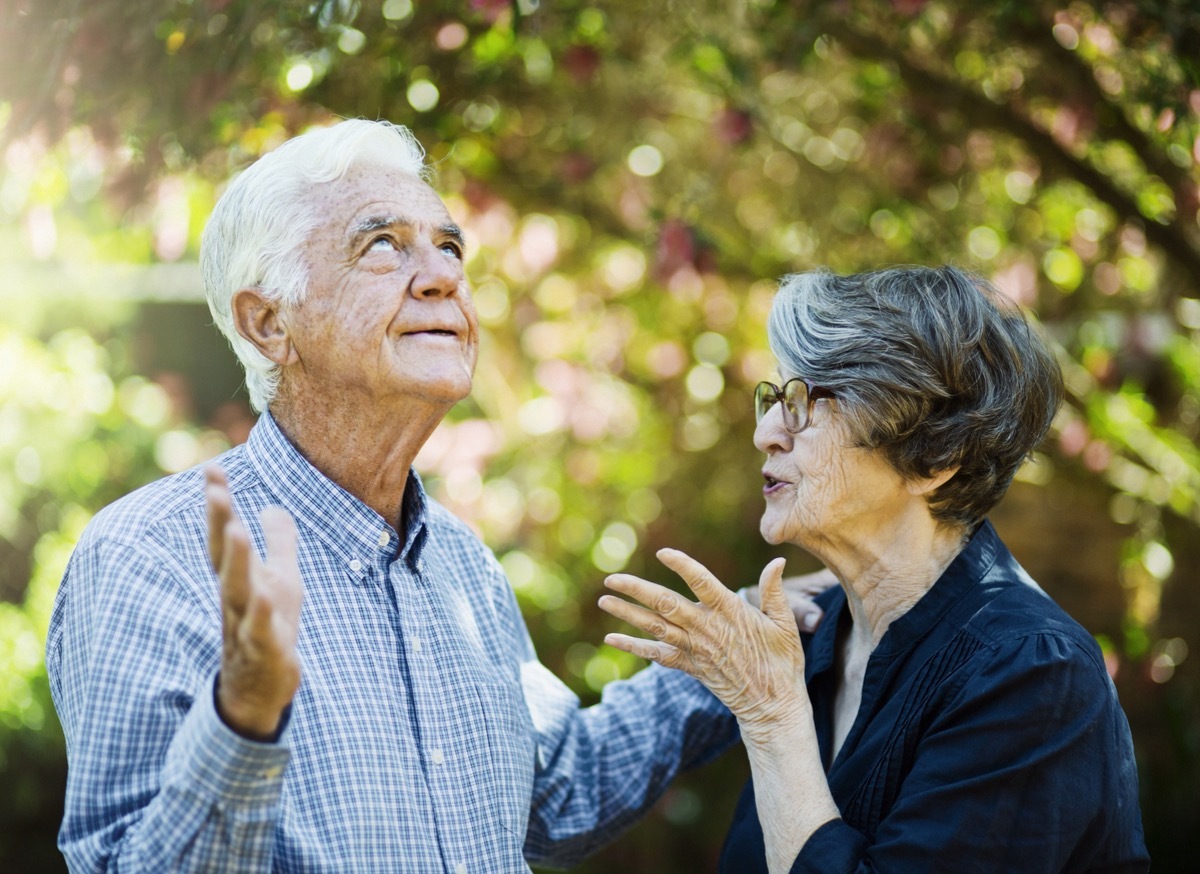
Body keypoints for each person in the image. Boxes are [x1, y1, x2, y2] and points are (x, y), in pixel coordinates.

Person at [46, 118, 798, 872]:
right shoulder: (148, 557)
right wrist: (240, 719)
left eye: (449, 247)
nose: (442, 276)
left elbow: (556, 791)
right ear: (269, 322)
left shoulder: (461, 567)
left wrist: (738, 651)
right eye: (382, 245)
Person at [600, 266, 1150, 873]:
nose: (765, 433)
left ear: (935, 456)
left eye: (806, 402)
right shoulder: (812, 632)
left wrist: (770, 714)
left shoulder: (1032, 670)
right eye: (776, 397)